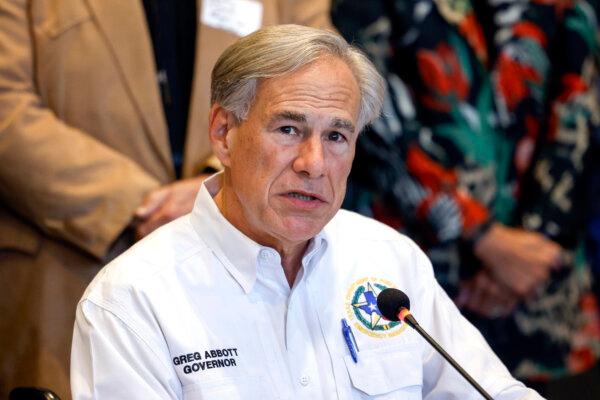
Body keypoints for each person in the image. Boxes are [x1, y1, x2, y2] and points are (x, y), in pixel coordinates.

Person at [71, 24, 541, 399]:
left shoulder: (388, 260)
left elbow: (493, 390)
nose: (313, 164)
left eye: (336, 137)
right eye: (289, 129)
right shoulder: (132, 299)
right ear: (223, 133)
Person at [0, 1, 331, 399]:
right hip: (70, 262)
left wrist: (217, 183)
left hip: (250, 255)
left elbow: (327, 84)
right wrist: (140, 203)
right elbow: (7, 108)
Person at [333, 0, 600, 397]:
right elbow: (368, 115)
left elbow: (577, 119)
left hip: (542, 293)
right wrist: (484, 237)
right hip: (417, 279)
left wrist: (530, 248)